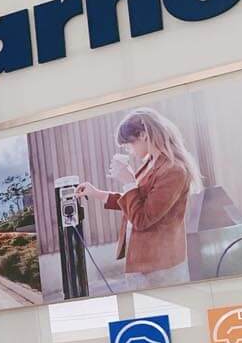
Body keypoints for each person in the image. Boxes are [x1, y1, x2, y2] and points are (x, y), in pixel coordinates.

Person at [80, 108, 200, 287]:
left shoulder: (174, 171)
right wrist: (96, 193)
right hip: (143, 262)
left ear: (144, 135)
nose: (130, 151)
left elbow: (143, 218)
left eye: (130, 144)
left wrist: (129, 181)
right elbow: (137, 202)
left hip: (160, 268)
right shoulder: (151, 164)